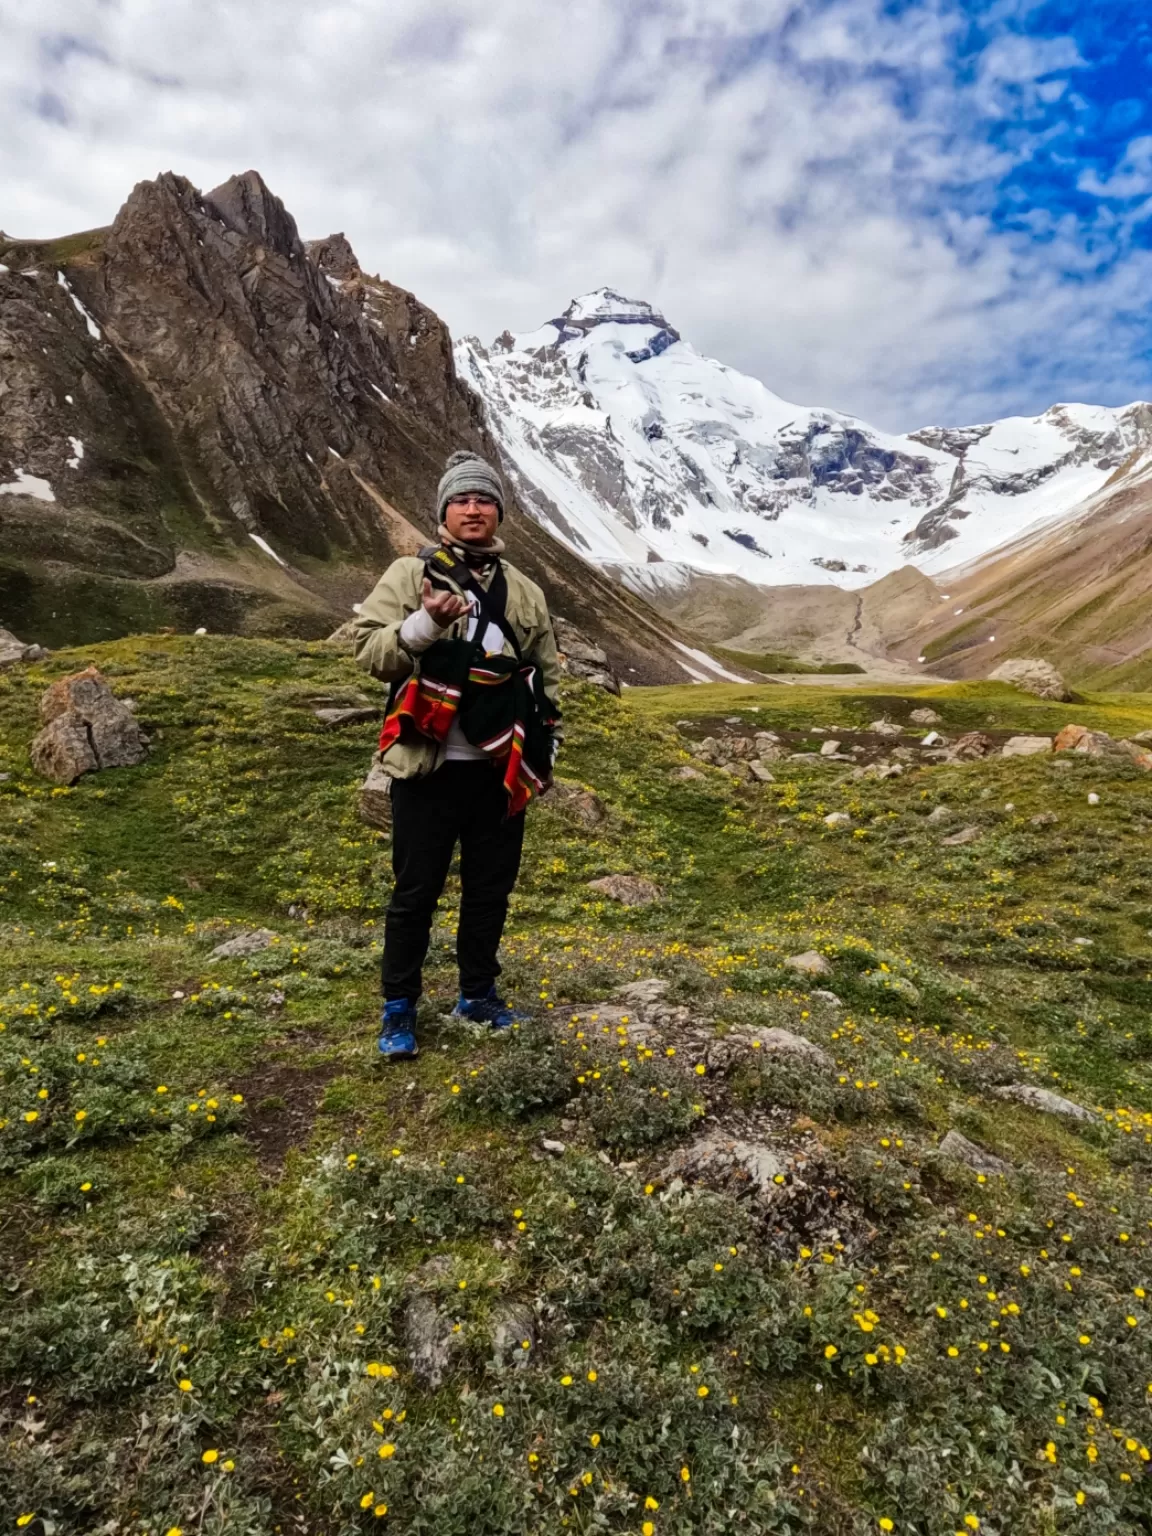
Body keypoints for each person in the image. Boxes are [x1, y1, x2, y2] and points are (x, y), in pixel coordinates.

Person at [353, 450, 562, 1060]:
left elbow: (545, 679)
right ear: (444, 511)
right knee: (414, 890)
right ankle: (399, 1009)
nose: (474, 509)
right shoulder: (406, 574)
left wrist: (546, 750)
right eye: (462, 500)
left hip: (500, 772)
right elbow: (371, 654)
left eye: (484, 500)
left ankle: (478, 995)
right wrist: (423, 624)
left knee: (489, 890)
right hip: (428, 767)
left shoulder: (523, 591)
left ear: (499, 512)